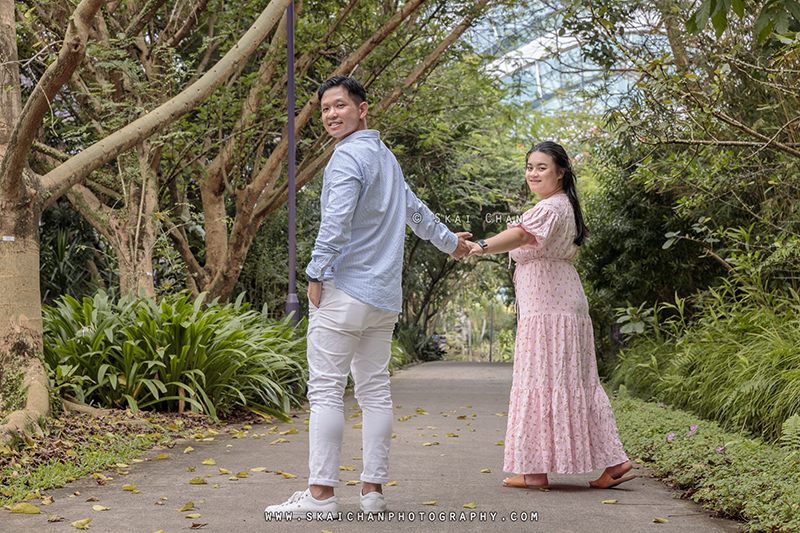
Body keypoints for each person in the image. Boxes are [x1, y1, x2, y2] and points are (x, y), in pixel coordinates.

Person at [265, 76, 472, 519]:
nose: (331, 115)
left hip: (344, 293)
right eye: (324, 109)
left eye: (340, 105)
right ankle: (372, 492)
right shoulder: (386, 158)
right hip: (382, 300)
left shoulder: (346, 160)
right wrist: (451, 243)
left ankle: (320, 496)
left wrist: (316, 272)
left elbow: (336, 224)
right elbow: (415, 211)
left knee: (324, 391)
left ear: (363, 110)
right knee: (374, 393)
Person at [465, 141, 634, 490]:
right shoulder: (564, 205)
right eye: (529, 166)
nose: (533, 173)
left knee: (541, 380)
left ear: (561, 172)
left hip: (548, 310)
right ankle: (601, 464)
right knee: (571, 382)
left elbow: (521, 235)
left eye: (542, 167)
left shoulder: (549, 208)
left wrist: (478, 246)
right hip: (561, 304)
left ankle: (537, 471)